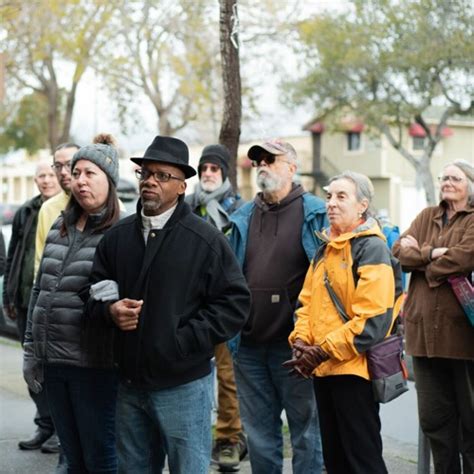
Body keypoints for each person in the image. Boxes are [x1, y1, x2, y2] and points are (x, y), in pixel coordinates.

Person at [87, 135, 251, 473]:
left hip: (184, 386)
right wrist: (109, 311)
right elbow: (93, 292)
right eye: (145, 173)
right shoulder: (117, 238)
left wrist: (182, 340)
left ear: (181, 186)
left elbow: (234, 304)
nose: (150, 182)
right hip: (129, 385)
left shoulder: (205, 240)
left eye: (162, 176)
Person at [287, 170, 403, 474]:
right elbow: (306, 303)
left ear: (362, 205)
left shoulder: (371, 247)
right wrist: (300, 342)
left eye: (341, 196)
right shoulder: (325, 248)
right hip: (323, 369)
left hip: (355, 372)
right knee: (335, 461)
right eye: (329, 196)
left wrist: (322, 350)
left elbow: (373, 319)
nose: (331, 203)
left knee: (362, 461)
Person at [23, 134, 122, 473]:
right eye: (76, 172)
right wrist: (31, 352)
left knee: (101, 458)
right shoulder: (58, 226)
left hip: (94, 368)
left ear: (110, 181)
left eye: (89, 173)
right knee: (71, 457)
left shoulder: (121, 233)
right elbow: (40, 292)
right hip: (54, 364)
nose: (79, 180)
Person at [228, 139, 327, 474]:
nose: (263, 166)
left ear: (292, 167)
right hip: (249, 346)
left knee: (307, 434)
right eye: (258, 161)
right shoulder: (242, 216)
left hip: (297, 348)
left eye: (271, 159)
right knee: (259, 436)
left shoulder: (316, 213)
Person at [392, 160, 474, 474]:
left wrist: (424, 258)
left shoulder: (472, 219)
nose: (446, 182)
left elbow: (465, 256)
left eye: (455, 178)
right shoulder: (427, 215)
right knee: (433, 420)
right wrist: (432, 254)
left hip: (462, 339)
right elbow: (399, 250)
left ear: (469, 184)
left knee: (471, 420)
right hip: (423, 336)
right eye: (443, 178)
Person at [185, 143, 246, 471]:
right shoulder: (188, 205)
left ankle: (228, 440)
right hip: (188, 305)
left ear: (224, 173)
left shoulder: (239, 208)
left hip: (222, 305)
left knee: (227, 376)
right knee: (190, 375)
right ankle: (192, 436)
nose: (208, 174)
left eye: (214, 169)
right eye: (204, 168)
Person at [3, 161, 61, 453]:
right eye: (42, 175)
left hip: (52, 302)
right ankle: (45, 425)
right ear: (36, 180)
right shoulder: (26, 210)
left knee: (53, 369)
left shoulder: (66, 209)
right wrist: (8, 296)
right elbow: (13, 254)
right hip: (26, 299)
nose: (47, 179)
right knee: (32, 366)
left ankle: (60, 430)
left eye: (52, 174)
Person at [34, 142, 80, 275]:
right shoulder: (47, 208)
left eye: (69, 164)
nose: (63, 172)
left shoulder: (108, 206)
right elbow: (39, 261)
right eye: (58, 166)